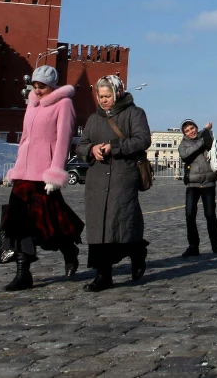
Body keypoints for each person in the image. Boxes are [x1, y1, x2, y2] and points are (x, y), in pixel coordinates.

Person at [0, 65, 84, 291]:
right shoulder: (32, 104)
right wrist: (16, 169)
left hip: (44, 175)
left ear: (52, 85)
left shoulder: (63, 104)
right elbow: (25, 139)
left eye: (42, 86)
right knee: (18, 223)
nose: (37, 90)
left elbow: (64, 140)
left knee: (50, 223)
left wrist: (55, 173)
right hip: (24, 174)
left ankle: (69, 250)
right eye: (35, 86)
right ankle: (23, 272)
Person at [76, 75, 151, 292]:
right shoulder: (93, 119)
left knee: (121, 223)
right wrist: (91, 150)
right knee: (98, 228)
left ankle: (137, 252)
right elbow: (81, 145)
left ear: (117, 93)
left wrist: (113, 147)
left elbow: (142, 139)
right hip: (97, 181)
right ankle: (103, 275)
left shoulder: (134, 113)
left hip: (122, 178)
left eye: (108, 96)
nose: (104, 100)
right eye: (100, 96)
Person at [178, 118, 217, 257]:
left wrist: (207, 132)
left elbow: (214, 145)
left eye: (192, 128)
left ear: (196, 127)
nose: (191, 132)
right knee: (190, 215)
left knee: (210, 215)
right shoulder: (183, 145)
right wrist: (202, 139)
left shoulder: (205, 137)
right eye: (187, 130)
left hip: (208, 183)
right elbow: (185, 155)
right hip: (193, 184)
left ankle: (215, 244)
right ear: (184, 133)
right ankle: (193, 245)